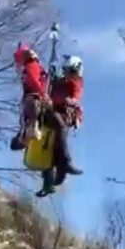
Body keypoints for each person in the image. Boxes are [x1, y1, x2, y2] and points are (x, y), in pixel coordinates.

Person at [36, 55, 84, 197]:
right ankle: (51, 178)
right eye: (68, 71)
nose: (70, 74)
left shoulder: (75, 83)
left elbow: (74, 98)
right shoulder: (60, 82)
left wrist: (68, 101)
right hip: (51, 113)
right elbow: (49, 89)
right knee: (48, 145)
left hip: (62, 115)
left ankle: (61, 171)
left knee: (55, 145)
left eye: (72, 71)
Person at [10, 44, 47, 151]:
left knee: (29, 120)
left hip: (30, 98)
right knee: (31, 119)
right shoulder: (32, 66)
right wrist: (42, 93)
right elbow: (34, 81)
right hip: (33, 97)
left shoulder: (30, 67)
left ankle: (25, 137)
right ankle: (28, 136)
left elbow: (34, 81)